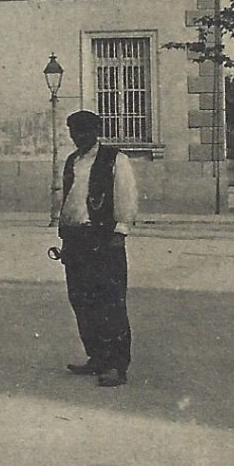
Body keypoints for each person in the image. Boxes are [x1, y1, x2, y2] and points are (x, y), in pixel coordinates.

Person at [58, 110, 139, 388]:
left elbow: (126, 196)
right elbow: (70, 201)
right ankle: (97, 357)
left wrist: (121, 231)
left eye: (82, 131)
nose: (77, 137)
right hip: (76, 240)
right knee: (81, 300)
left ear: (95, 132)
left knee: (110, 302)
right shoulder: (72, 161)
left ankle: (116, 365)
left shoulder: (115, 159)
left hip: (104, 239)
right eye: (73, 131)